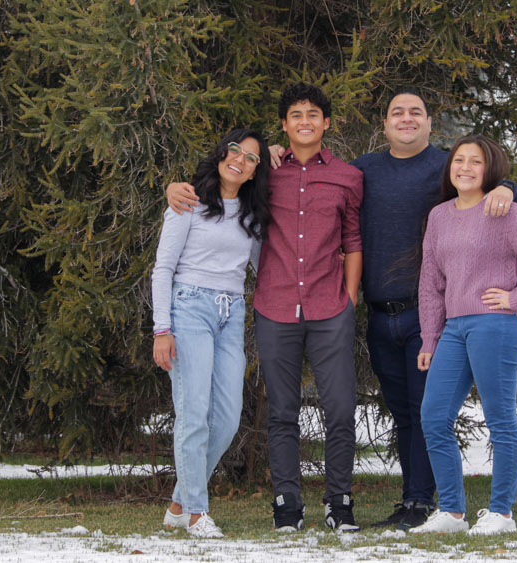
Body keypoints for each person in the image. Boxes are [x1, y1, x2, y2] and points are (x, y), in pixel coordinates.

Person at [165, 83, 364, 532]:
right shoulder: (266, 171)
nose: (306, 121)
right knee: (282, 413)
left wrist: (349, 297)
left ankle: (340, 502)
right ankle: (287, 505)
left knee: (339, 408)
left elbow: (353, 240)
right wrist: (174, 188)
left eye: (314, 114)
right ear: (285, 124)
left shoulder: (349, 177)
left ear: (326, 123)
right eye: (296, 114)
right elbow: (225, 185)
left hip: (329, 306)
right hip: (274, 308)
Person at [347, 88, 517, 530]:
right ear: (385, 124)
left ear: (430, 123)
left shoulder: (448, 165)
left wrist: (507, 186)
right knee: (411, 414)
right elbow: (318, 180)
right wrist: (276, 154)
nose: (406, 119)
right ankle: (424, 502)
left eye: (416, 112)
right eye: (396, 112)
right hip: (381, 310)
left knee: (434, 407)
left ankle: (425, 503)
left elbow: (496, 186)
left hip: (436, 314)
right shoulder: (364, 170)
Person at [410, 135, 517, 536]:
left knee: (499, 419)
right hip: (454, 329)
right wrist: (430, 337)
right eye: (458, 160)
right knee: (433, 416)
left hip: (495, 324)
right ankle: (452, 513)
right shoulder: (440, 216)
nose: (463, 167)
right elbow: (431, 282)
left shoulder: (503, 209)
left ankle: (501, 513)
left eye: (474, 162)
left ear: (488, 169)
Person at [152, 129, 270, 538]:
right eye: (235, 150)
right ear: (222, 154)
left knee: (226, 416)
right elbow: (163, 269)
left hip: (231, 314)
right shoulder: (188, 201)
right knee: (193, 412)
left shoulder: (252, 216)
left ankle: (178, 504)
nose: (240, 159)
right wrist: (161, 329)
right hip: (189, 310)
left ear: (256, 170)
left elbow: (267, 267)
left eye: (251, 157)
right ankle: (197, 514)